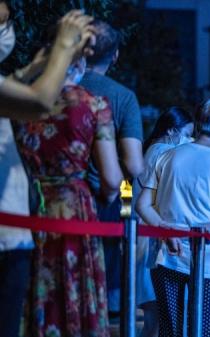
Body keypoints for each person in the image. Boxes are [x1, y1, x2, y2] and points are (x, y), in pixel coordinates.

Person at [12, 35, 122, 335]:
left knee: (34, 284)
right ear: (80, 62)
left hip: (27, 203)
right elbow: (112, 179)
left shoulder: (21, 103)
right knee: (74, 283)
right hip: (74, 204)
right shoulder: (94, 104)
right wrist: (105, 195)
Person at [0, 8, 97, 337]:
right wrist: (65, 45)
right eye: (2, 18)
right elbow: (39, 101)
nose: (7, 24)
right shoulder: (92, 103)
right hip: (10, 232)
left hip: (24, 220)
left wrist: (41, 63)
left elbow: (11, 86)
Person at [136, 98, 210, 337]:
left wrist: (165, 228)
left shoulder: (168, 156)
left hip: (166, 256)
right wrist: (198, 229)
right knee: (204, 331)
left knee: (170, 330)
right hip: (207, 260)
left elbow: (142, 205)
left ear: (197, 124)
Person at [80, 19, 144, 314]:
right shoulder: (122, 97)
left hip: (59, 195)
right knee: (111, 273)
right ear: (115, 55)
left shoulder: (57, 88)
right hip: (113, 197)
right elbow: (133, 164)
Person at [135, 107, 193, 337]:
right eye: (186, 134)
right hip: (156, 238)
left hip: (148, 235)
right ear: (171, 130)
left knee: (156, 317)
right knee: (158, 317)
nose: (190, 140)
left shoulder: (153, 150)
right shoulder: (164, 152)